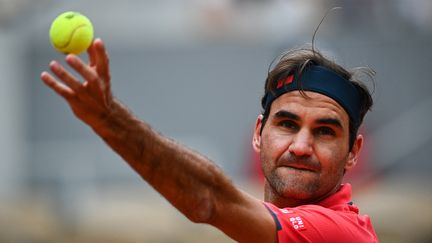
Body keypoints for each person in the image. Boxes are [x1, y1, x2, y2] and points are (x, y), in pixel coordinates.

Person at [40, 38, 378, 242]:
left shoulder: (342, 234)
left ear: (353, 152)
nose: (301, 146)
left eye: (325, 131)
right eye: (287, 124)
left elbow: (210, 199)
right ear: (258, 134)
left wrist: (107, 118)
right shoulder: (265, 231)